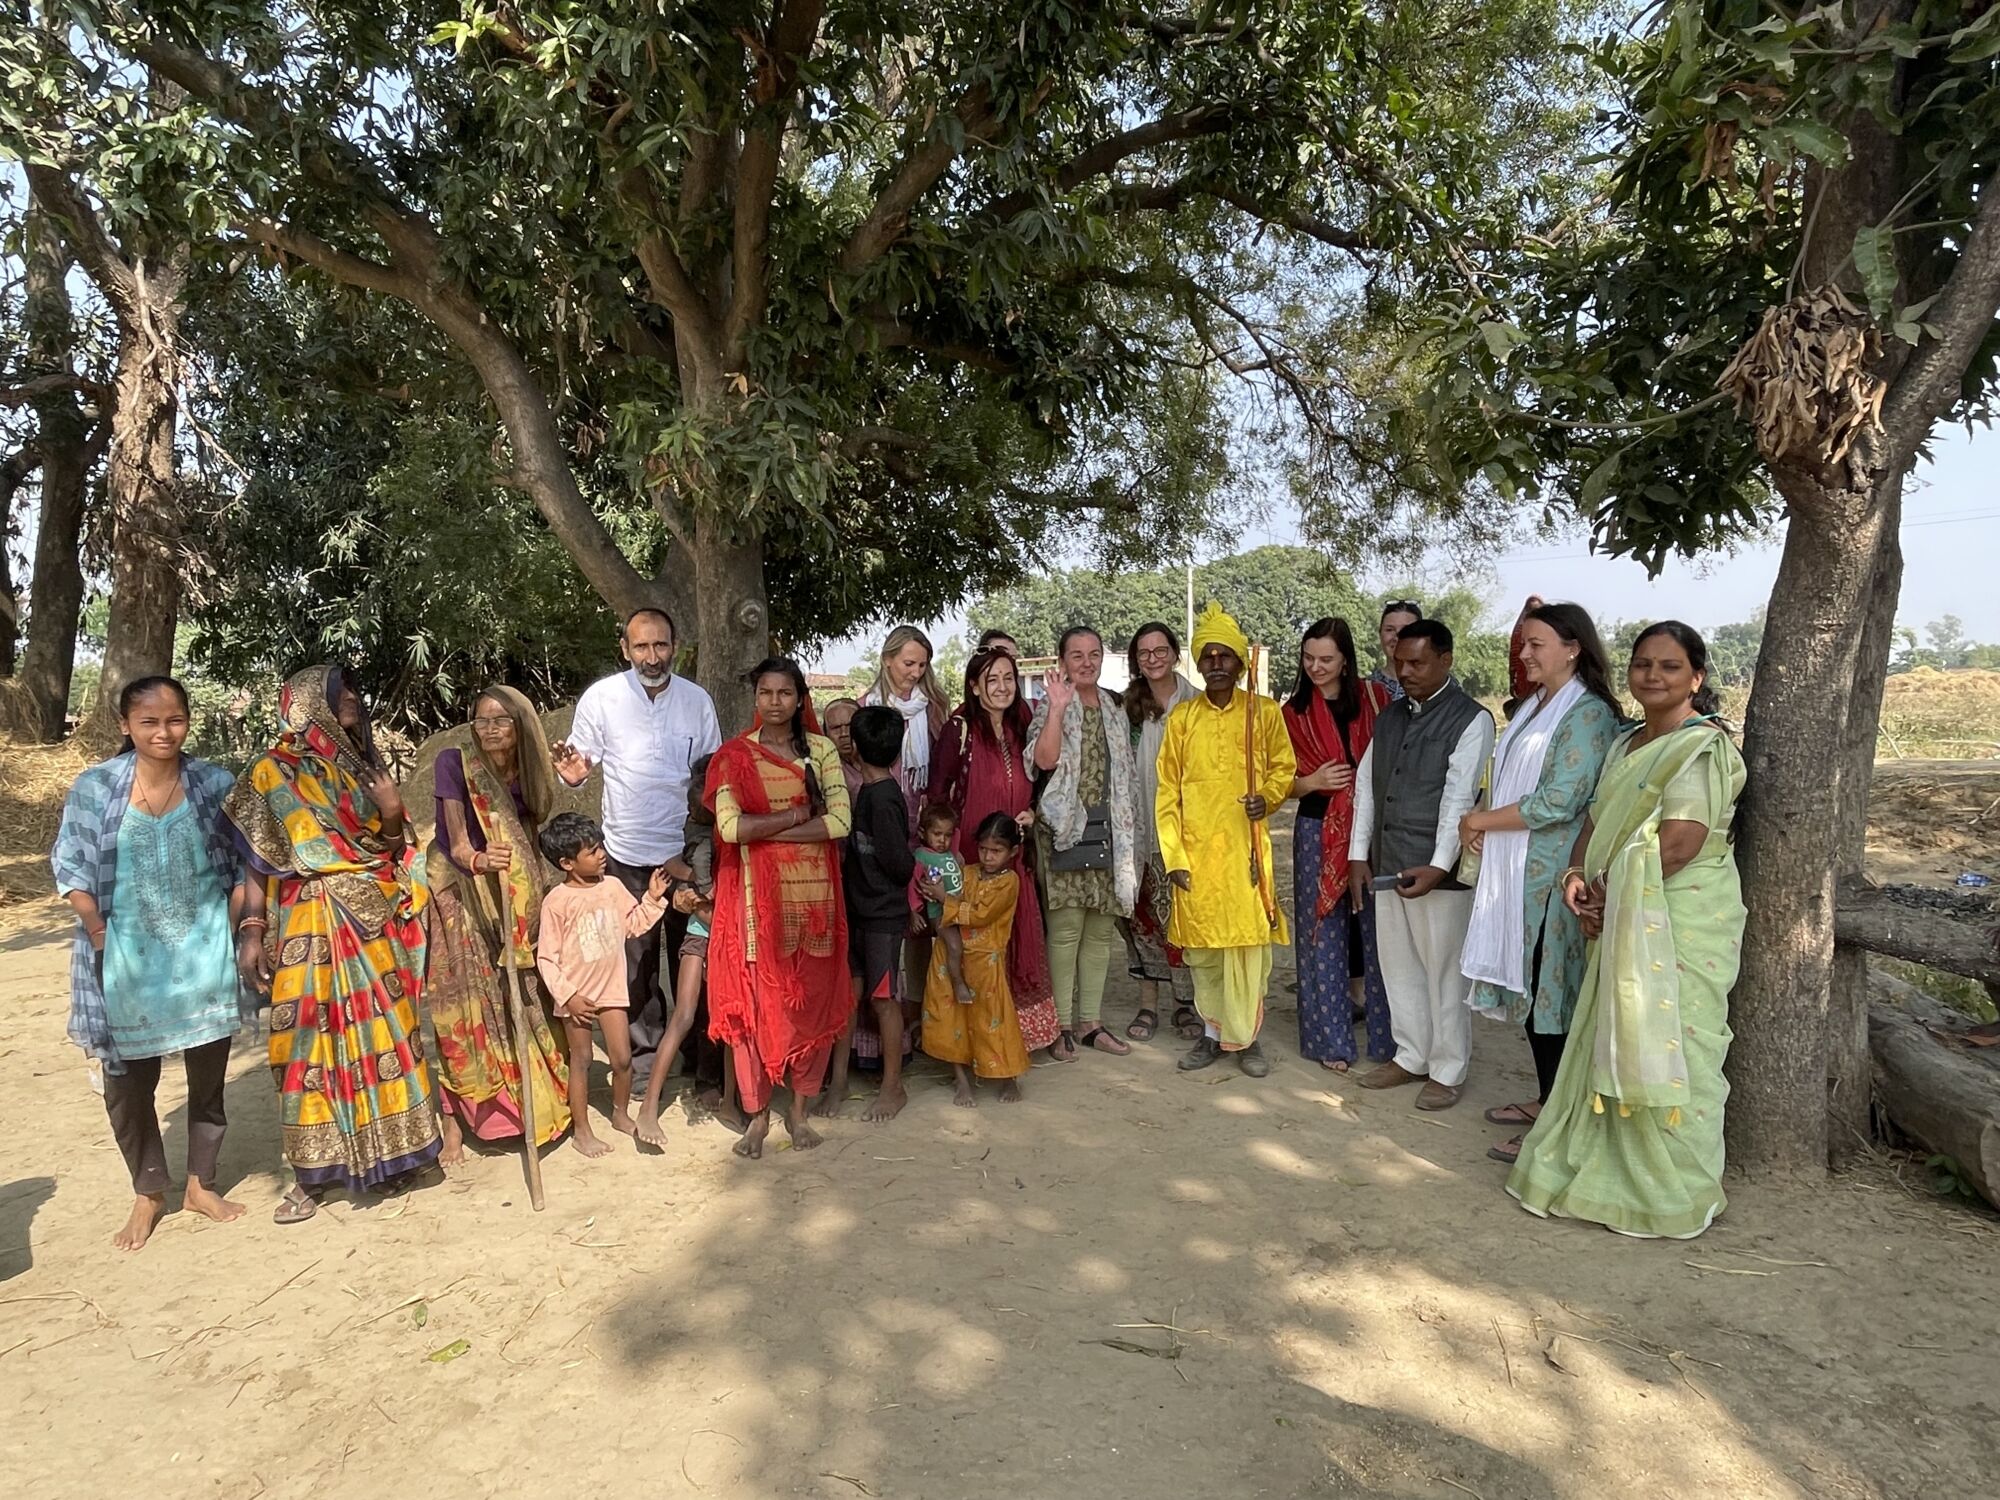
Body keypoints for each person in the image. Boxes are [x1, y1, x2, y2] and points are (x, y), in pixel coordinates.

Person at [1508, 622, 1747, 1239]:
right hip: (1618, 909)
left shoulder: (1700, 748)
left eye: (1670, 666)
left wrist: (1608, 895)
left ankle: (1671, 1186)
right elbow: (1594, 822)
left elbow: (1681, 843)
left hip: (1678, 917)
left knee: (1674, 1037)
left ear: (1696, 677)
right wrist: (1575, 879)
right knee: (1612, 1031)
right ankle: (1604, 1170)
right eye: (1643, 664)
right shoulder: (1625, 743)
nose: (1653, 676)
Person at [226, 666, 441, 1223]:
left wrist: (390, 811)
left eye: (352, 689)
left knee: (389, 1034)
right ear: (305, 703)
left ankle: (397, 1156)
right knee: (303, 1044)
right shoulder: (271, 772)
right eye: (336, 690)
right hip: (306, 919)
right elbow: (256, 863)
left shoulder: (362, 769)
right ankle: (313, 1174)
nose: (351, 697)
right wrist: (252, 931)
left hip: (370, 922)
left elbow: (390, 849)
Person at [53, 676, 248, 1250]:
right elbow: (70, 867)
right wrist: (97, 933)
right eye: (149, 722)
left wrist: (231, 926)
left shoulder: (214, 784)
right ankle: (148, 1191)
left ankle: (201, 1185)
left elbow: (246, 864)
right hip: (124, 960)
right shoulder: (95, 788)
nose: (164, 732)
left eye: (175, 720)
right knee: (127, 1083)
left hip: (202, 954)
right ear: (125, 725)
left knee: (208, 1075)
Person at [1459, 604, 1622, 1163]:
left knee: (1553, 996)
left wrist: (1481, 821)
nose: (1524, 654)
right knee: (1534, 993)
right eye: (1523, 644)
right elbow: (1508, 777)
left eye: (1536, 644)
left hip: (1555, 878)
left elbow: (1560, 800)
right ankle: (1546, 1098)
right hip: (1521, 875)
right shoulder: (1536, 704)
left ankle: (1557, 1119)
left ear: (1573, 648)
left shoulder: (1588, 714)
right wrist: (1484, 819)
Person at [551, 607, 722, 1093]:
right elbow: (580, 765)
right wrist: (573, 774)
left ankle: (705, 1066)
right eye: (641, 646)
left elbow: (709, 774)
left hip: (687, 855)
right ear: (625, 649)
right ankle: (645, 1067)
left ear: (675, 647)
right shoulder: (602, 698)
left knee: (697, 959)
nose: (652, 656)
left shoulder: (696, 701)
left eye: (661, 645)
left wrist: (704, 855)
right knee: (635, 965)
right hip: (626, 855)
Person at [706, 657, 854, 1160]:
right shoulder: (733, 756)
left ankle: (799, 1112)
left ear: (799, 699)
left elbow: (840, 822)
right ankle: (758, 1116)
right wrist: (796, 817)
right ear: (755, 698)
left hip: (814, 900)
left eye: (784, 693)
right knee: (754, 1007)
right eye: (765, 693)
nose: (774, 702)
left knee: (808, 1001)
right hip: (756, 906)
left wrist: (765, 831)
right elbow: (730, 829)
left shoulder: (822, 751)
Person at [1349, 621, 1497, 1111]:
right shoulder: (1390, 717)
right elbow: (1367, 788)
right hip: (1389, 863)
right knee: (1399, 966)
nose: (1406, 672)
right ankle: (1411, 1055)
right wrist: (1357, 856)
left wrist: (1437, 865)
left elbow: (1459, 799)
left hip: (1440, 875)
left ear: (1446, 661)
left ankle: (1448, 1068)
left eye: (1417, 663)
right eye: (1400, 663)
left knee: (1445, 973)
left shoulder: (1471, 719)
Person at [422, 686, 572, 1167]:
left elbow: (534, 820)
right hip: (461, 890)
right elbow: (457, 843)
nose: (489, 730)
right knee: (465, 1001)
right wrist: (480, 860)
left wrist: (566, 780)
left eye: (501, 721)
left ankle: (531, 1107)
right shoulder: (454, 763)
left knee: (520, 996)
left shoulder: (528, 769)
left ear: (520, 726)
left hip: (514, 898)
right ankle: (455, 1122)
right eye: (481, 720)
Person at [1157, 603, 1297, 1077]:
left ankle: (1246, 1039)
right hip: (1196, 856)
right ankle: (1213, 1034)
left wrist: (1268, 798)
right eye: (1208, 656)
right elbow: (1167, 793)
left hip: (1245, 854)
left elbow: (1284, 768)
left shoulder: (1264, 712)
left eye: (1225, 656)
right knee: (1204, 953)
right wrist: (1174, 856)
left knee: (1248, 949)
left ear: (1240, 663)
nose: (1216, 663)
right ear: (1198, 664)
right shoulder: (1182, 720)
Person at [929, 646, 1061, 1056]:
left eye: (1008, 678)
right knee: (977, 947)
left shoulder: (1024, 724)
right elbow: (938, 793)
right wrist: (947, 854)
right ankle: (973, 1045)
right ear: (974, 686)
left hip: (1014, 857)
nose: (1002, 687)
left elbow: (1044, 777)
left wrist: (1033, 810)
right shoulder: (959, 729)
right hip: (972, 857)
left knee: (1018, 938)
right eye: (992, 680)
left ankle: (1018, 1039)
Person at [1282, 618, 1395, 1073]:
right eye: (1309, 658)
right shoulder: (1291, 714)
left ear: (1346, 659)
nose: (1316, 667)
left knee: (1379, 933)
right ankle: (1329, 1039)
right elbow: (1274, 784)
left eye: (1326, 659)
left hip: (1373, 830)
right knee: (1321, 933)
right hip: (1317, 829)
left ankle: (1390, 1042)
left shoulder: (1376, 699)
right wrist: (1310, 781)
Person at [1028, 625, 1140, 1059]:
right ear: (1062, 662)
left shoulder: (1114, 706)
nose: (1087, 662)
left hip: (1111, 829)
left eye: (1094, 654)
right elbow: (1044, 761)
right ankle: (1060, 1026)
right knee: (1066, 929)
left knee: (1099, 929)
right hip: (1065, 829)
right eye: (1077, 655)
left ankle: (1090, 1022)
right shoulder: (1050, 704)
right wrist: (1058, 709)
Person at [536, 812, 669, 1156]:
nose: (601, 855)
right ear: (567, 863)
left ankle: (620, 1113)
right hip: (577, 997)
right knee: (581, 1059)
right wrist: (569, 997)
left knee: (622, 1059)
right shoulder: (556, 902)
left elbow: (633, 925)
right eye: (592, 851)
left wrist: (652, 898)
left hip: (611, 991)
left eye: (600, 848)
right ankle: (582, 1131)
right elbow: (546, 958)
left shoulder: (612, 887)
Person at [824, 705, 917, 1122]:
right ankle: (840, 1081)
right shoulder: (872, 792)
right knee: (851, 998)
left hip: (881, 918)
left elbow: (899, 864)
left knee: (883, 1000)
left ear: (856, 750)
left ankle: (893, 1086)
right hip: (861, 912)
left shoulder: (882, 799)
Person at [636, 755, 736, 1146]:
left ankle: (727, 1098)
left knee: (721, 1015)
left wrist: (697, 888)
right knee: (688, 1014)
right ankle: (649, 1108)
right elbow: (678, 865)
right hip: (707, 929)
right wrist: (698, 885)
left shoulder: (726, 829)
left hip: (719, 927)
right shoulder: (703, 834)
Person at [1121, 622, 1199, 1042]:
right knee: (1142, 919)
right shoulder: (1127, 709)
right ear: (1136, 659)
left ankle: (1186, 1005)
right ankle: (1148, 1003)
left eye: (1160, 650)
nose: (1153, 659)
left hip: (1186, 836)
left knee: (1183, 920)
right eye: (1144, 652)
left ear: (1174, 653)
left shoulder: (1197, 703)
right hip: (1137, 832)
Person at [922, 813, 1031, 1106]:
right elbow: (941, 884)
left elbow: (981, 914)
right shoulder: (966, 872)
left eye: (996, 851)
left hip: (985, 962)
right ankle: (961, 1080)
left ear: (1013, 852)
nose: (988, 856)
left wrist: (943, 898)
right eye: (983, 849)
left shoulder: (1009, 883)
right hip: (949, 955)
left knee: (993, 1019)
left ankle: (1008, 1077)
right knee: (950, 1017)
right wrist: (931, 884)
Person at [912, 804, 973, 1002]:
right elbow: (912, 885)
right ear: (923, 833)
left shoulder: (950, 853)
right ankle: (958, 983)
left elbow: (957, 833)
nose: (942, 840)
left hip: (959, 908)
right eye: (937, 834)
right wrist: (913, 912)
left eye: (947, 835)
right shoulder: (922, 856)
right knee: (955, 946)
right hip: (940, 914)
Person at [1371, 600, 1423, 702]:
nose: (1397, 637)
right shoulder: (1364, 691)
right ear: (1380, 635)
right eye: (1390, 630)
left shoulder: (1440, 688)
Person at [822, 696, 866, 805]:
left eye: (849, 726)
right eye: (836, 728)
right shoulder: (824, 770)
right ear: (826, 733)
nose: (844, 734)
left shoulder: (881, 760)